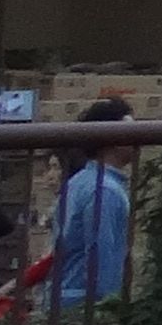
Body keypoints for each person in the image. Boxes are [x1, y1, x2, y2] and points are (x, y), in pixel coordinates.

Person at [43, 98, 137, 311]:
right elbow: (102, 262)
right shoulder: (105, 190)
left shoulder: (80, 181)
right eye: (131, 130)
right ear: (113, 137)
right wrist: (110, 306)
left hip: (64, 298)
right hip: (83, 306)